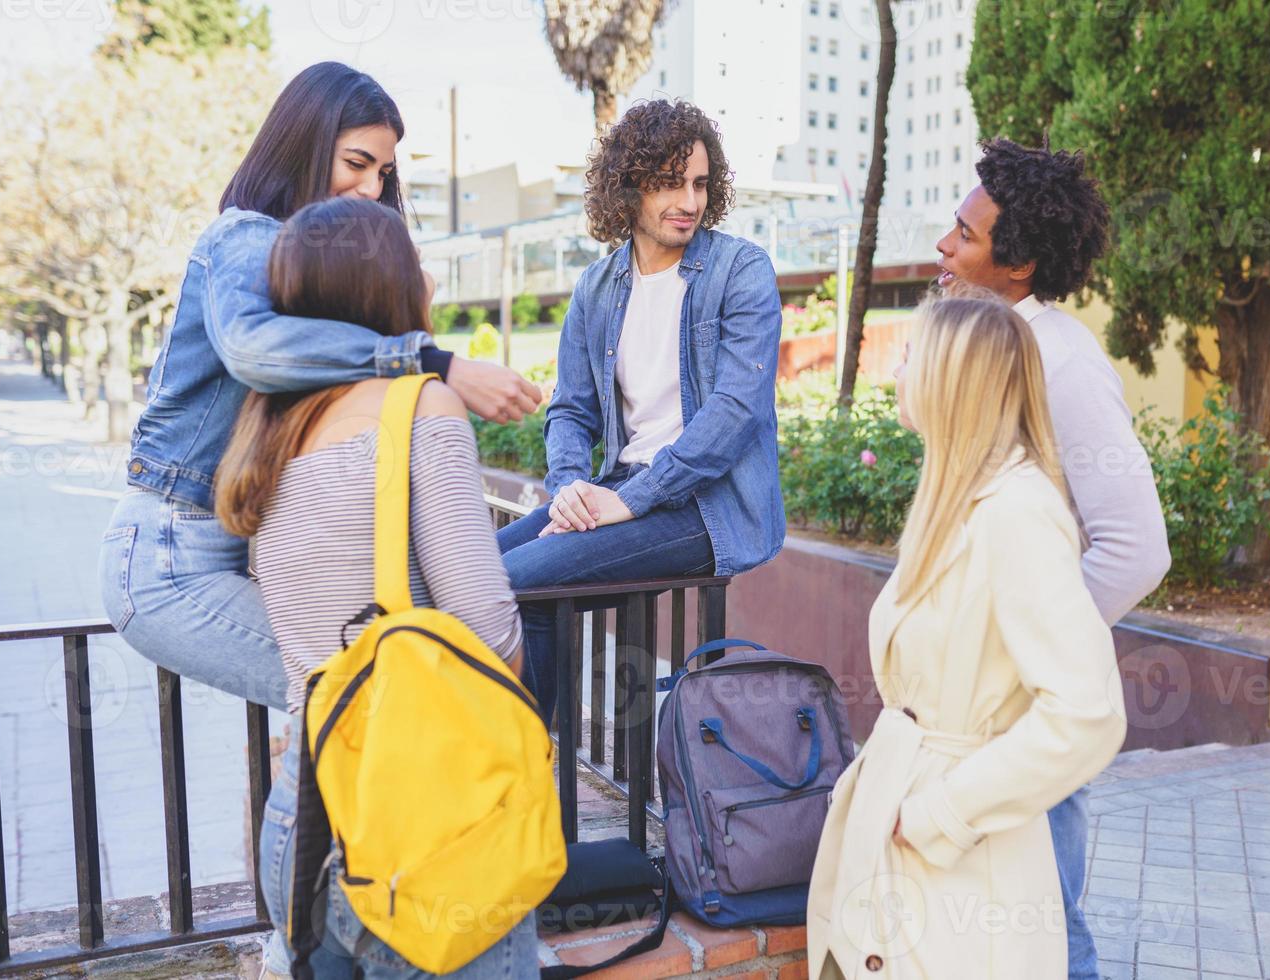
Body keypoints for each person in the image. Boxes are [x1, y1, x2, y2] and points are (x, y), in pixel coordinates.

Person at [97, 62, 541, 711]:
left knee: (347, 719)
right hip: (170, 558)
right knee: (373, 702)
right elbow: (255, 348)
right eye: (356, 162)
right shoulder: (248, 234)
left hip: (215, 548)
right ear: (303, 145)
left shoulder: (301, 261)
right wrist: (433, 362)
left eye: (383, 173)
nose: (370, 186)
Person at [213, 196, 535, 979]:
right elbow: (488, 629)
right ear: (383, 289)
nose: (426, 272)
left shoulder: (268, 428)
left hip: (304, 815)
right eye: (414, 257)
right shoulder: (420, 404)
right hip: (421, 821)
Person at [806, 294, 1128, 979]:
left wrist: (941, 813)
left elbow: (1087, 713)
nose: (900, 369)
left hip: (958, 866)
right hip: (905, 841)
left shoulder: (1017, 512)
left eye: (913, 355)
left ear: (953, 379)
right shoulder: (955, 503)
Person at [933, 137, 1170, 979]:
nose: (943, 246)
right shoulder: (983, 346)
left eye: (963, 234)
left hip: (1028, 706)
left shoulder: (1060, 362)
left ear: (1018, 262)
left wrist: (1038, 642)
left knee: (1046, 930)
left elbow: (1138, 547)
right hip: (969, 704)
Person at [496, 99, 785, 723]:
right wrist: (570, 485)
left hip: (707, 507)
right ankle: (533, 769)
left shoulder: (740, 272)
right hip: (623, 492)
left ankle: (530, 765)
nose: (689, 200)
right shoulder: (597, 288)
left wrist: (632, 498)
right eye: (669, 181)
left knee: (515, 582)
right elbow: (570, 409)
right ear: (629, 187)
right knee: (482, 571)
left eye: (700, 183)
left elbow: (735, 412)